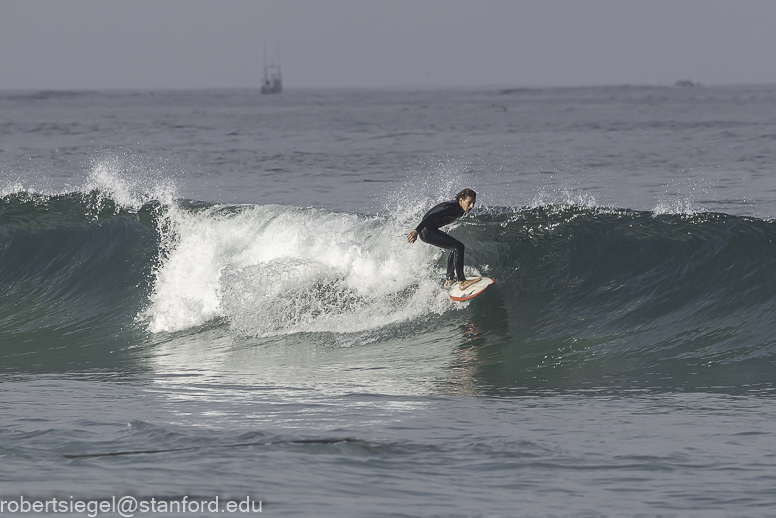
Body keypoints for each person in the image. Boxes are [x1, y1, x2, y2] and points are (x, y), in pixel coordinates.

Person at [407, 188, 481, 289]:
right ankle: (462, 281)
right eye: (469, 203)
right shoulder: (450, 207)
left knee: (455, 247)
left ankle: (450, 278)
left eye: (473, 203)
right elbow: (429, 216)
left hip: (431, 230)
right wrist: (416, 231)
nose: (471, 206)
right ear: (461, 201)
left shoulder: (461, 209)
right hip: (427, 231)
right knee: (459, 247)